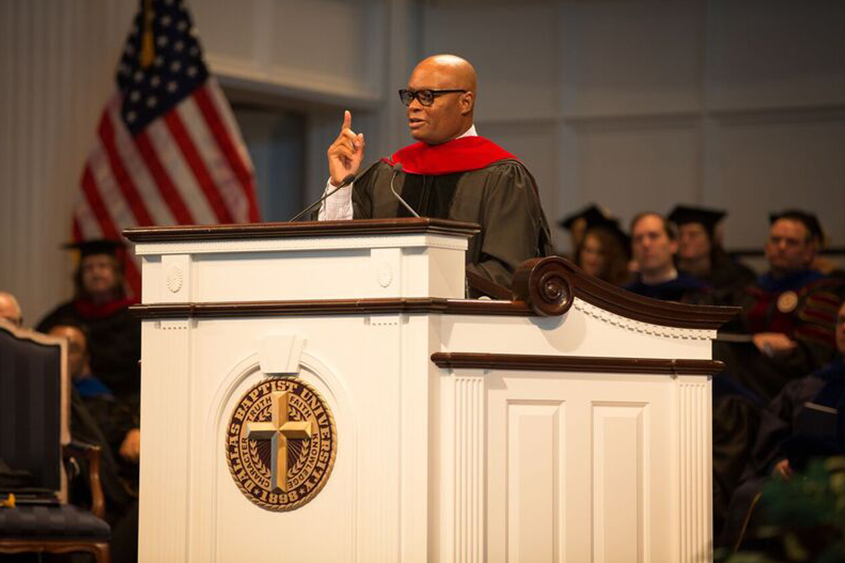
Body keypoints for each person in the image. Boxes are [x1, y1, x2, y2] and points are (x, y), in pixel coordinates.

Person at [318, 54, 552, 291]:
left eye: (427, 96)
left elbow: (506, 271)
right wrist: (340, 184)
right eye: (410, 96)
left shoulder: (502, 176)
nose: (413, 106)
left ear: (465, 103)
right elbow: (343, 255)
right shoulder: (391, 173)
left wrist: (421, 284)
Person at [718, 298, 845, 551]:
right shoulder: (809, 386)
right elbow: (772, 435)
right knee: (749, 494)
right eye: (842, 321)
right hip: (797, 479)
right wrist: (778, 463)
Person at [716, 210, 845, 403]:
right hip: (747, 378)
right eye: (776, 240)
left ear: (809, 251)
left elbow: (815, 355)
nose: (781, 247)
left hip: (789, 385)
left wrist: (771, 349)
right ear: (767, 246)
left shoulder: (823, 292)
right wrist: (755, 341)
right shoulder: (748, 289)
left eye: (791, 242)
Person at [37, 240, 141, 411]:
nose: (96, 272)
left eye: (103, 266)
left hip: (124, 405)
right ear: (80, 276)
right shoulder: (64, 314)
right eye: (88, 267)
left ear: (117, 272)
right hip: (72, 403)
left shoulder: (134, 316)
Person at [667, 205, 756, 303]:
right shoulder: (669, 276)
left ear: (712, 239)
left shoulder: (738, 276)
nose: (684, 241)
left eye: (693, 235)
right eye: (680, 235)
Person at [625, 212, 708, 302]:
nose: (645, 244)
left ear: (673, 244)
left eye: (653, 236)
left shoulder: (697, 292)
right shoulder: (626, 296)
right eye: (638, 238)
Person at [575, 221, 631, 286]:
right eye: (588, 250)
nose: (592, 258)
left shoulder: (621, 288)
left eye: (600, 253)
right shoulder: (569, 282)